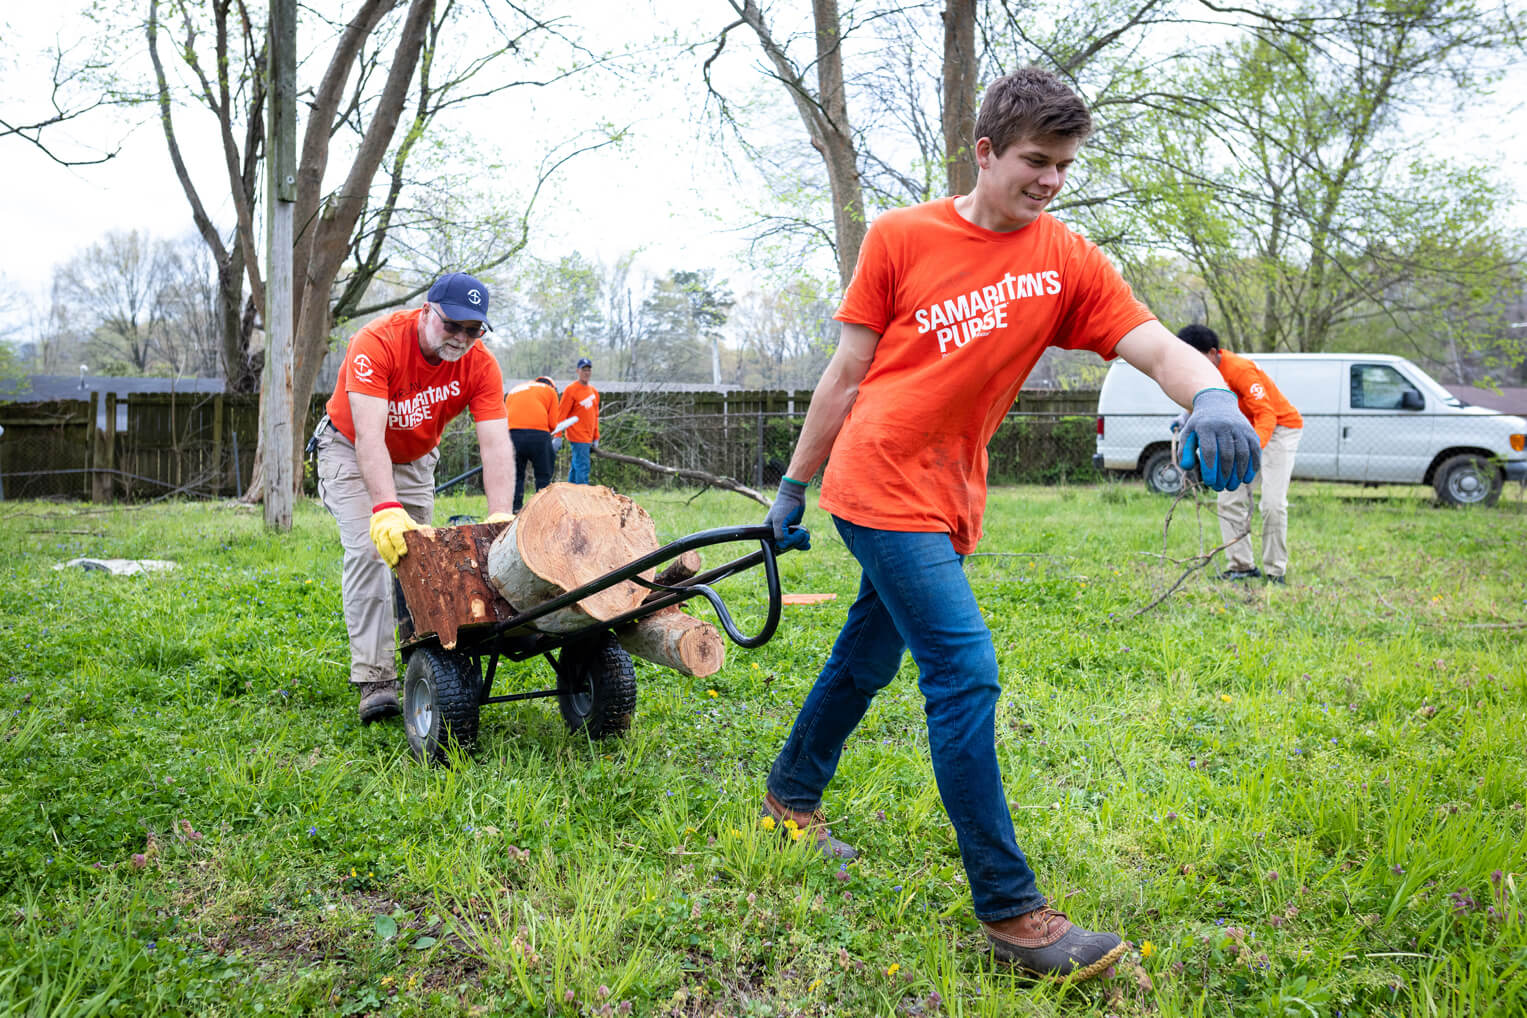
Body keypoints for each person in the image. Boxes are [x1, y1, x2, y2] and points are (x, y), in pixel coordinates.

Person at [758, 67, 1260, 981]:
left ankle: (787, 800)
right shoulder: (900, 237)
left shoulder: (1062, 255)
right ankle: (1012, 912)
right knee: (962, 669)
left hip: (950, 493)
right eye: (1035, 160)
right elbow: (844, 373)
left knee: (866, 658)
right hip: (874, 483)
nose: (1050, 180)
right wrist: (794, 487)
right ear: (984, 152)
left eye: (1063, 165)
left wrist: (1212, 392)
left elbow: (1146, 341)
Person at [314, 272, 516, 722]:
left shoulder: (481, 364)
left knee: (419, 556)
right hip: (350, 449)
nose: (462, 338)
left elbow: (496, 443)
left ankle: (419, 658)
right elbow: (369, 436)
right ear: (427, 312)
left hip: (415, 456)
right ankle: (375, 679)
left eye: (473, 329)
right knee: (374, 549)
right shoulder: (377, 343)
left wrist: (501, 514)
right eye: (452, 325)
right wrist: (385, 509)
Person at [1174, 325, 1303, 583]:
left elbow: (1266, 414)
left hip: (1278, 429)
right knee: (1229, 500)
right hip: (1241, 430)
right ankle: (1241, 566)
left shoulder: (1240, 369)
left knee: (1273, 504)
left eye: (1193, 356)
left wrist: (1253, 450)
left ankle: (1275, 571)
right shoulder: (1198, 372)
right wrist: (1184, 418)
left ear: (1212, 353)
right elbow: (1199, 403)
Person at [504, 375, 560, 513]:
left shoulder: (514, 390)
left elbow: (504, 417)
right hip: (539, 435)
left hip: (512, 435)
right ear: (552, 386)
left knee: (516, 475)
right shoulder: (550, 391)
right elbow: (553, 424)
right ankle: (541, 511)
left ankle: (515, 509)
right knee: (543, 475)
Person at [557, 357, 600, 484]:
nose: (586, 372)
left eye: (588, 370)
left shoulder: (593, 391)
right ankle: (583, 498)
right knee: (583, 467)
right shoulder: (571, 390)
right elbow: (561, 414)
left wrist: (596, 436)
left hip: (588, 436)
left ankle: (570, 496)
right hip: (577, 435)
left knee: (576, 468)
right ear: (578, 371)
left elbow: (595, 415)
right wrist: (558, 435)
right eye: (583, 369)